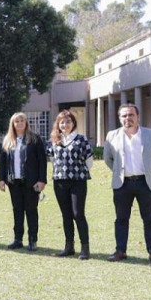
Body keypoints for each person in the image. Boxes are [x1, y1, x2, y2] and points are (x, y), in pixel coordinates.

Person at [103, 104, 151, 266]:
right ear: (119, 118)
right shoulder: (112, 136)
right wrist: (119, 172)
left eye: (131, 115)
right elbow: (108, 159)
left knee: (150, 219)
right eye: (124, 116)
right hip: (123, 184)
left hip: (146, 183)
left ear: (138, 117)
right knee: (121, 219)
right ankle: (120, 251)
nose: (127, 118)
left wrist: (149, 172)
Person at [46, 110, 94, 259]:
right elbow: (53, 161)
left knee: (78, 213)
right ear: (58, 125)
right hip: (60, 182)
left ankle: (85, 247)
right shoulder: (54, 141)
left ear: (73, 123)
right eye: (62, 122)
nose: (65, 125)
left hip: (78, 181)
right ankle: (69, 246)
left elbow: (89, 162)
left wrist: (75, 172)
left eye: (68, 122)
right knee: (66, 214)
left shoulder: (81, 140)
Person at [0, 113, 47, 251]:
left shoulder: (35, 139)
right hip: (14, 182)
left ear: (26, 123)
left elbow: (42, 161)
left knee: (31, 211)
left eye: (22, 121)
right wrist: (2, 179)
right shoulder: (8, 140)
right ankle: (17, 239)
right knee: (17, 211)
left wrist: (42, 180)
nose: (19, 123)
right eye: (16, 121)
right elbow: (3, 162)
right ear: (12, 124)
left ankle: (32, 240)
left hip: (31, 182)